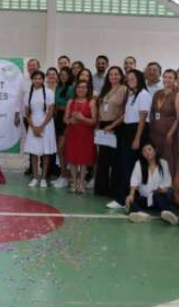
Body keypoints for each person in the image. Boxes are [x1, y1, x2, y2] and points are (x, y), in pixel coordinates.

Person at [108, 69, 150, 209]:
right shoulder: (131, 95)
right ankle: (123, 196)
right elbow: (125, 116)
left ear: (139, 79)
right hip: (127, 131)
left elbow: (142, 119)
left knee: (128, 166)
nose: (130, 80)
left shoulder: (143, 95)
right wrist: (111, 126)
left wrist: (137, 138)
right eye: (128, 78)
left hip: (136, 131)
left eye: (133, 78)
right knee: (123, 164)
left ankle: (122, 200)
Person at [125, 143, 179, 225]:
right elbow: (134, 181)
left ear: (155, 150)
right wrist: (131, 195)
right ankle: (141, 214)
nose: (147, 153)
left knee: (157, 196)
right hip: (146, 199)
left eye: (149, 149)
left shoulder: (163, 163)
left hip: (160, 197)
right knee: (130, 200)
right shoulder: (139, 164)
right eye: (144, 151)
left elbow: (167, 183)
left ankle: (167, 213)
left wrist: (160, 190)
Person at [95, 66, 126, 197]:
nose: (113, 77)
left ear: (121, 76)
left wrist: (112, 125)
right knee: (103, 159)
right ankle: (101, 189)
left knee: (115, 159)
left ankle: (114, 189)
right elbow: (101, 108)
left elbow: (126, 112)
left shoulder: (124, 89)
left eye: (116, 74)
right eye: (111, 74)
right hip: (103, 126)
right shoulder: (106, 89)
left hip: (116, 126)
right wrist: (98, 126)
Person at [24, 70, 56, 187]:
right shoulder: (28, 94)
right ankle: (35, 177)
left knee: (45, 152)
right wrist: (33, 127)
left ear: (43, 80)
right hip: (33, 124)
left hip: (46, 125)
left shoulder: (49, 92)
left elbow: (51, 111)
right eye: (35, 78)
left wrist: (41, 127)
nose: (37, 80)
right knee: (34, 152)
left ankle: (43, 178)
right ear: (32, 80)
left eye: (40, 78)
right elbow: (27, 113)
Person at [64, 80, 97, 193]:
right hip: (73, 133)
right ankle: (73, 182)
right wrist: (71, 120)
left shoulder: (91, 102)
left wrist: (82, 118)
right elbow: (65, 119)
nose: (81, 89)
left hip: (86, 134)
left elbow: (94, 121)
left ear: (87, 89)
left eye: (84, 87)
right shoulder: (70, 101)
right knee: (72, 159)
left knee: (83, 159)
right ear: (75, 89)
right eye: (79, 87)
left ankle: (82, 183)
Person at [149, 68, 179, 175]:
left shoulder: (178, 95)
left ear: (175, 80)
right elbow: (153, 113)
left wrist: (170, 133)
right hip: (156, 133)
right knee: (157, 159)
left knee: (169, 160)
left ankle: (170, 187)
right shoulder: (157, 93)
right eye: (165, 77)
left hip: (169, 134)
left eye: (170, 77)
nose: (167, 79)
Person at [52, 66, 75, 188]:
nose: (62, 76)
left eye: (65, 74)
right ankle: (63, 175)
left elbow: (71, 106)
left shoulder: (71, 88)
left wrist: (68, 122)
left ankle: (66, 176)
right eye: (61, 74)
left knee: (62, 149)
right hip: (57, 119)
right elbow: (56, 105)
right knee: (59, 150)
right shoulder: (58, 87)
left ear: (69, 76)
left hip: (66, 119)